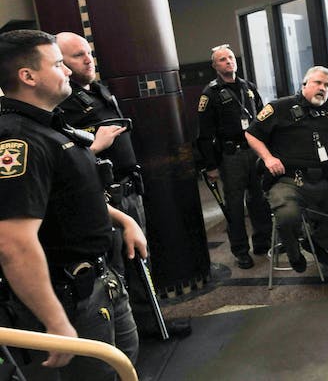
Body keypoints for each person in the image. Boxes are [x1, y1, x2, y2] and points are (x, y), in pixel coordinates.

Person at [0, 30, 147, 380]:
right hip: (69, 295)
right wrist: (55, 321)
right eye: (57, 64)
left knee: (122, 365)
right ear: (28, 76)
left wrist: (124, 219)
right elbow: (14, 242)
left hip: (100, 278)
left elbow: (69, 196)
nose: (67, 71)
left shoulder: (49, 125)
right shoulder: (18, 139)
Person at [55, 32, 191, 340]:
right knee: (117, 265)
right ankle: (127, 330)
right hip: (102, 195)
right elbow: (64, 162)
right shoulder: (62, 103)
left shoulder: (100, 90)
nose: (87, 58)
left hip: (127, 188)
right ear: (60, 62)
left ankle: (148, 320)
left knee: (139, 257)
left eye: (88, 52)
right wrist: (97, 146)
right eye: (77, 55)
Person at [245, 66, 328, 273]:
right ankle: (293, 253)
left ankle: (317, 243)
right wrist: (268, 158)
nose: (322, 88)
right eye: (318, 83)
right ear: (305, 84)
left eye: (327, 85)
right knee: (288, 215)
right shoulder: (280, 107)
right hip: (289, 182)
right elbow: (252, 134)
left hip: (325, 181)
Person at [196, 44, 272, 269]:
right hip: (231, 157)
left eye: (230, 57)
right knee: (235, 207)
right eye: (222, 59)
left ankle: (262, 242)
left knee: (259, 200)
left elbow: (261, 118)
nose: (228, 61)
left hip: (254, 152)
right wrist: (210, 166)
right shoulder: (210, 94)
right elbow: (204, 135)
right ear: (214, 66)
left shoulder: (248, 87)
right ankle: (241, 251)